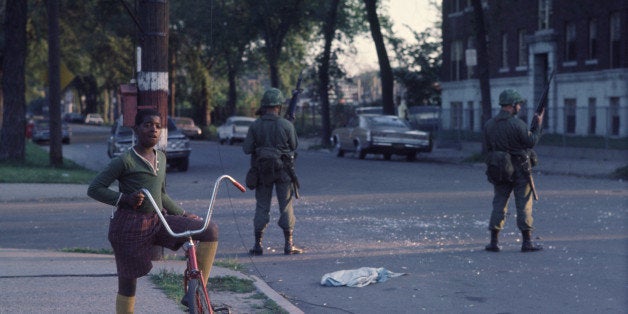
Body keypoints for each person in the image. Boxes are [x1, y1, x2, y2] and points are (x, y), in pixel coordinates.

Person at [87, 109, 218, 313]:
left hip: (158, 221)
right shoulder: (125, 160)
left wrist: (182, 214)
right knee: (128, 283)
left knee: (209, 230)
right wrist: (125, 199)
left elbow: (161, 194)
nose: (153, 130)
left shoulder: (162, 158)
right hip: (129, 226)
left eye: (158, 126)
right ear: (136, 129)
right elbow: (94, 189)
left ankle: (195, 292)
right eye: (147, 125)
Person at [243, 88, 303, 256]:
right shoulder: (286, 125)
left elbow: (247, 149)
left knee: (262, 206)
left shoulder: (255, 126)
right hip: (284, 171)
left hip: (262, 171)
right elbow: (294, 146)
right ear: (279, 106)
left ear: (264, 105)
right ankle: (288, 244)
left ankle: (258, 245)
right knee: (286, 206)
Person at [483, 89, 544, 253]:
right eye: (518, 104)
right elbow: (530, 142)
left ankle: (493, 242)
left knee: (499, 203)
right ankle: (527, 242)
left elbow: (487, 149)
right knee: (524, 204)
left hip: (500, 169)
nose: (520, 107)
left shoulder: (489, 124)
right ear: (512, 105)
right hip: (520, 169)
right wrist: (537, 125)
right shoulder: (517, 124)